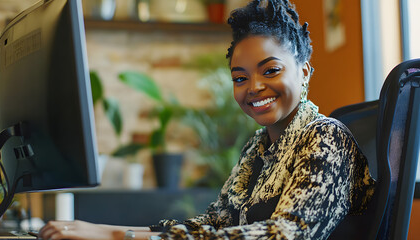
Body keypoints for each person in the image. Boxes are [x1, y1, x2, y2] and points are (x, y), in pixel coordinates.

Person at [39, 0, 375, 239]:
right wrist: (105, 230)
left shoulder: (327, 138)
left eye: (270, 70)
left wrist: (115, 237)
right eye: (240, 78)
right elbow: (214, 224)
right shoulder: (257, 150)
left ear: (303, 73)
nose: (254, 87)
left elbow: (285, 233)